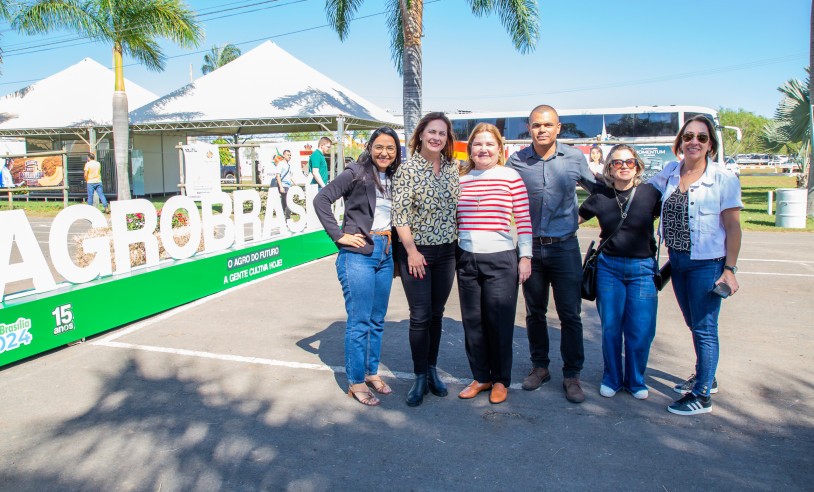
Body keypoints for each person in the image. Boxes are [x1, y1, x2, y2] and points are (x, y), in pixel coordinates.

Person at [506, 104, 601, 404]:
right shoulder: (517, 160)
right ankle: (540, 367)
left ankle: (572, 374)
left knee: (570, 314)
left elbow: (597, 190)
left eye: (548, 125)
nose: (542, 129)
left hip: (565, 248)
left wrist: (578, 217)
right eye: (536, 125)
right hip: (530, 249)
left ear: (558, 128)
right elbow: (499, 190)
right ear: (529, 129)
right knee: (535, 312)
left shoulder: (574, 157)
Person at [648, 115, 742, 416]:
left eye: (701, 138)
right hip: (677, 262)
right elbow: (640, 191)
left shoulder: (723, 178)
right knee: (694, 323)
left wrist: (730, 269)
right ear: (680, 142)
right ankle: (707, 376)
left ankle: (702, 395)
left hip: (707, 264)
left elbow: (733, 228)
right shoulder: (670, 172)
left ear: (710, 144)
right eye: (688, 136)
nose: (694, 142)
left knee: (704, 327)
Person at [314, 126, 402, 406]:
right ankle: (355, 381)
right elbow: (321, 199)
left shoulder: (395, 176)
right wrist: (338, 235)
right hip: (359, 254)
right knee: (360, 320)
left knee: (377, 320)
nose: (384, 152)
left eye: (390, 147)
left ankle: (372, 372)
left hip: (386, 253)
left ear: (397, 150)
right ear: (369, 147)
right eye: (379, 147)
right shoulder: (356, 172)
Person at [455, 123, 532, 404]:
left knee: (498, 323)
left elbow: (523, 223)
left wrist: (525, 257)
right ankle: (481, 376)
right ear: (470, 149)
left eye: (489, 144)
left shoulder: (510, 177)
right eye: (478, 144)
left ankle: (500, 380)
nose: (483, 149)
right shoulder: (460, 179)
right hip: (466, 257)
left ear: (500, 149)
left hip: (501, 259)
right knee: (472, 322)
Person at [578, 144, 662, 400]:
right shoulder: (600, 197)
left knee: (641, 329)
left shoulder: (651, 194)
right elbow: (571, 221)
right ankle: (612, 378)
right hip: (608, 269)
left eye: (630, 162)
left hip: (643, 269)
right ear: (609, 169)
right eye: (617, 162)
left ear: (638, 166)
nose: (624, 166)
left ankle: (635, 380)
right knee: (611, 328)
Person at [392, 112, 460, 407]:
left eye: (442, 133)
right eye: (431, 132)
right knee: (419, 316)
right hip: (417, 253)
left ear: (447, 139)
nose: (436, 137)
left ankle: (432, 370)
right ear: (420, 134)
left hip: (447, 253)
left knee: (436, 314)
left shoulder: (452, 168)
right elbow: (400, 215)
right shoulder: (407, 170)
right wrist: (411, 251)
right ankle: (419, 376)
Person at [274, 150, 293, 219]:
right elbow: (278, 175)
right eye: (288, 155)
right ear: (284, 155)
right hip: (284, 185)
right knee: (288, 202)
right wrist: (281, 187)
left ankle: (280, 217)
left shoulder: (288, 165)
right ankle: (287, 218)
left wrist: (295, 184)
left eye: (290, 155)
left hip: (288, 186)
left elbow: (291, 176)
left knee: (284, 203)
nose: (289, 156)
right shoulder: (281, 164)